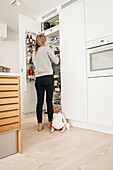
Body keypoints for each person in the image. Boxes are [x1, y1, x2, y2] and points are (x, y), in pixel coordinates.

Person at [33, 35, 59, 131]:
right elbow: (56, 61)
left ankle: (39, 125)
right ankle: (50, 123)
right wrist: (57, 56)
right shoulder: (47, 49)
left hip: (39, 79)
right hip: (48, 78)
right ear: (44, 41)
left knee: (39, 102)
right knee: (49, 101)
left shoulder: (34, 52)